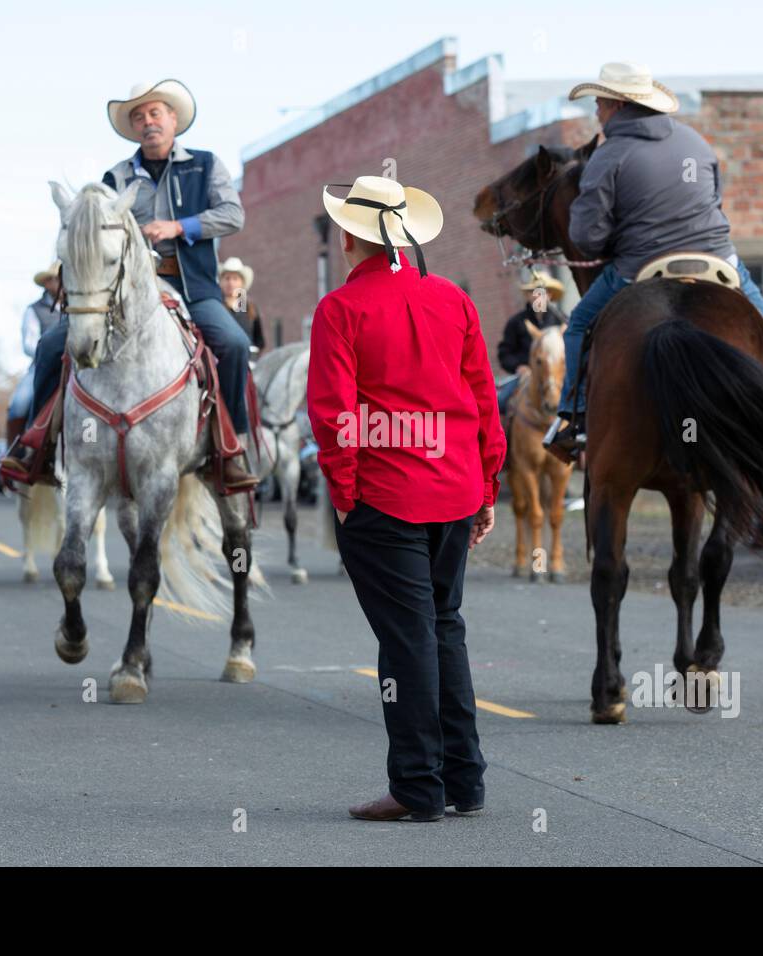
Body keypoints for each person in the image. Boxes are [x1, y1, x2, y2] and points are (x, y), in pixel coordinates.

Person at [308, 176, 506, 822]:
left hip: (384, 498)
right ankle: (465, 780)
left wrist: (342, 491)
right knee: (443, 626)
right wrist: (487, 483)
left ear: (348, 237)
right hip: (454, 489)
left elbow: (334, 414)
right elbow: (482, 399)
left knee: (407, 641)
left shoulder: (339, 310)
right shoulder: (453, 299)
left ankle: (417, 787)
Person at [4, 79, 258, 490]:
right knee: (52, 346)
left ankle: (231, 448)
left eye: (155, 113)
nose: (147, 122)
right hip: (123, 291)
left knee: (230, 343)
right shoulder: (116, 176)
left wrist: (178, 226)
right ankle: (36, 443)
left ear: (173, 119)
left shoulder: (206, 164)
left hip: (192, 286)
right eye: (139, 117)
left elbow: (232, 215)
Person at [543, 62, 763, 464]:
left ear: (618, 105)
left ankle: (574, 417)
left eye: (600, 101)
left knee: (579, 323)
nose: (596, 110)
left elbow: (587, 238)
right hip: (718, 260)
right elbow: (714, 201)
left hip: (642, 267)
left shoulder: (608, 155)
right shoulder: (695, 141)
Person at [495, 271, 567, 414]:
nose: (539, 297)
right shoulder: (515, 322)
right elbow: (504, 353)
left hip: (556, 375)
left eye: (543, 292)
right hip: (525, 376)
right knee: (501, 402)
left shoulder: (561, 321)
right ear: (528, 296)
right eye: (534, 293)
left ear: (550, 295)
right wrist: (518, 366)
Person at [5, 263, 61, 446]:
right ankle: (17, 451)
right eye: (56, 278)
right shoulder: (34, 310)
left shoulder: (77, 306)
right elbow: (29, 344)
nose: (61, 282)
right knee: (19, 404)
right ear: (46, 283)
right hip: (42, 366)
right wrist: (50, 351)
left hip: (78, 365)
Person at [219, 256, 266, 355]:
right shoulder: (217, 307)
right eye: (227, 278)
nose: (231, 283)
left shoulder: (250, 308)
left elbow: (259, 341)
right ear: (221, 281)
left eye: (235, 279)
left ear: (242, 282)